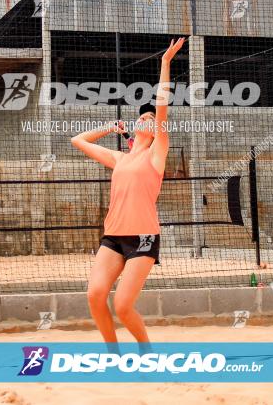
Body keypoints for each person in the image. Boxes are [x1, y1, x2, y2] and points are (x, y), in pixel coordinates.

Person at [71, 37, 185, 349]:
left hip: (143, 238)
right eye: (142, 117)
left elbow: (161, 108)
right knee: (95, 296)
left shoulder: (156, 154)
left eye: (149, 119)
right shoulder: (120, 158)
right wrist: (110, 127)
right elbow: (78, 140)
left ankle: (145, 351)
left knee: (122, 305)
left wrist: (165, 64)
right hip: (113, 237)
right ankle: (113, 354)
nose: (145, 119)